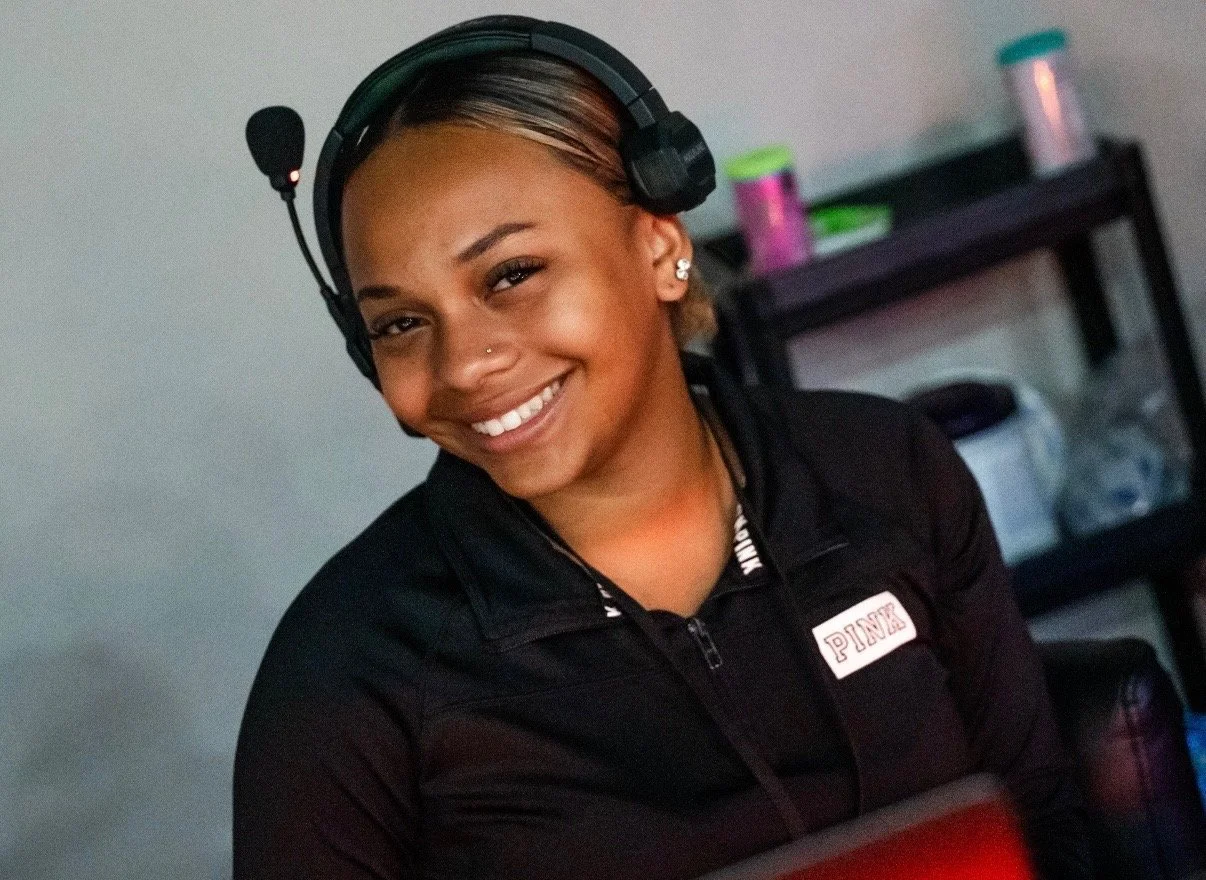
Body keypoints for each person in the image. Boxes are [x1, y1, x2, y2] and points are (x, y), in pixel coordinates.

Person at [233, 16, 1091, 880]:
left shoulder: (887, 472)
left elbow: (1045, 826)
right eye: (401, 323)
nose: (462, 365)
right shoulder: (345, 678)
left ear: (661, 246)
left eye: (511, 275)